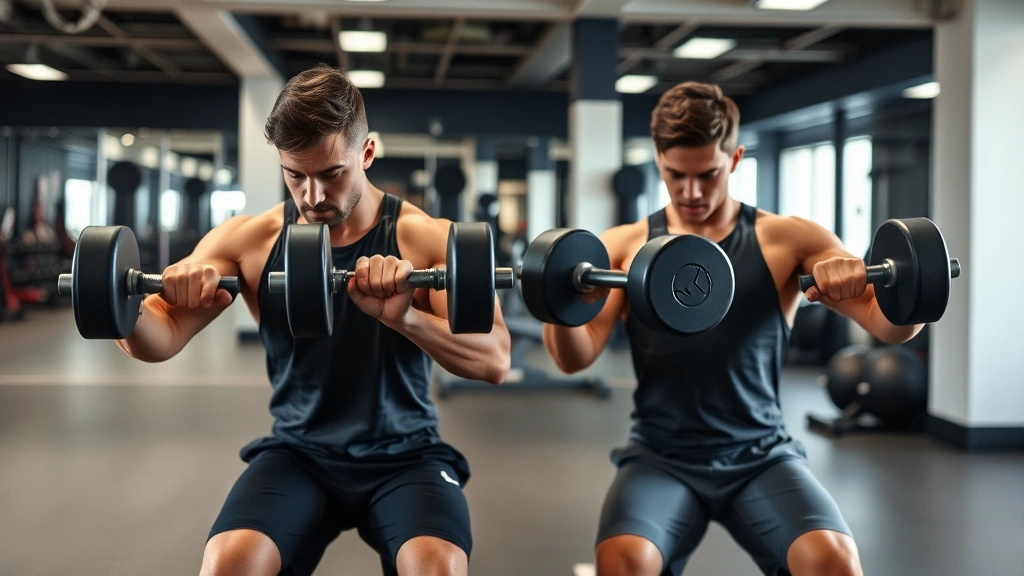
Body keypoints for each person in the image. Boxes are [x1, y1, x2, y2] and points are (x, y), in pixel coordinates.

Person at [116, 64, 511, 576]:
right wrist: (124, 308)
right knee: (228, 565)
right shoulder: (249, 240)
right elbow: (159, 339)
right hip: (299, 452)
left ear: (366, 153)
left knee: (438, 567)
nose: (313, 196)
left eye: (331, 173)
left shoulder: (425, 239)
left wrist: (407, 319)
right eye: (295, 175)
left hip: (405, 454)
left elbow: (496, 360)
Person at [542, 82, 922, 576]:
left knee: (835, 562)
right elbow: (574, 358)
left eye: (708, 174)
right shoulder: (623, 246)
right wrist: (560, 305)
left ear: (736, 158)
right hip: (661, 456)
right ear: (658, 159)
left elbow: (892, 329)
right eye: (676, 175)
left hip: (760, 456)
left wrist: (866, 282)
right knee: (623, 563)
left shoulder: (787, 239)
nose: (691, 191)